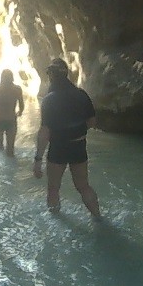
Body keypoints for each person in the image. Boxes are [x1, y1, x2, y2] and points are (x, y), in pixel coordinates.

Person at [33, 58, 101, 218]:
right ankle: (98, 217)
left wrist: (38, 159)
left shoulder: (49, 100)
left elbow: (44, 131)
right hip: (78, 146)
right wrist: (77, 131)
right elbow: (92, 122)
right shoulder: (81, 95)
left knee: (53, 188)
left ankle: (56, 220)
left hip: (58, 148)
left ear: (51, 76)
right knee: (83, 186)